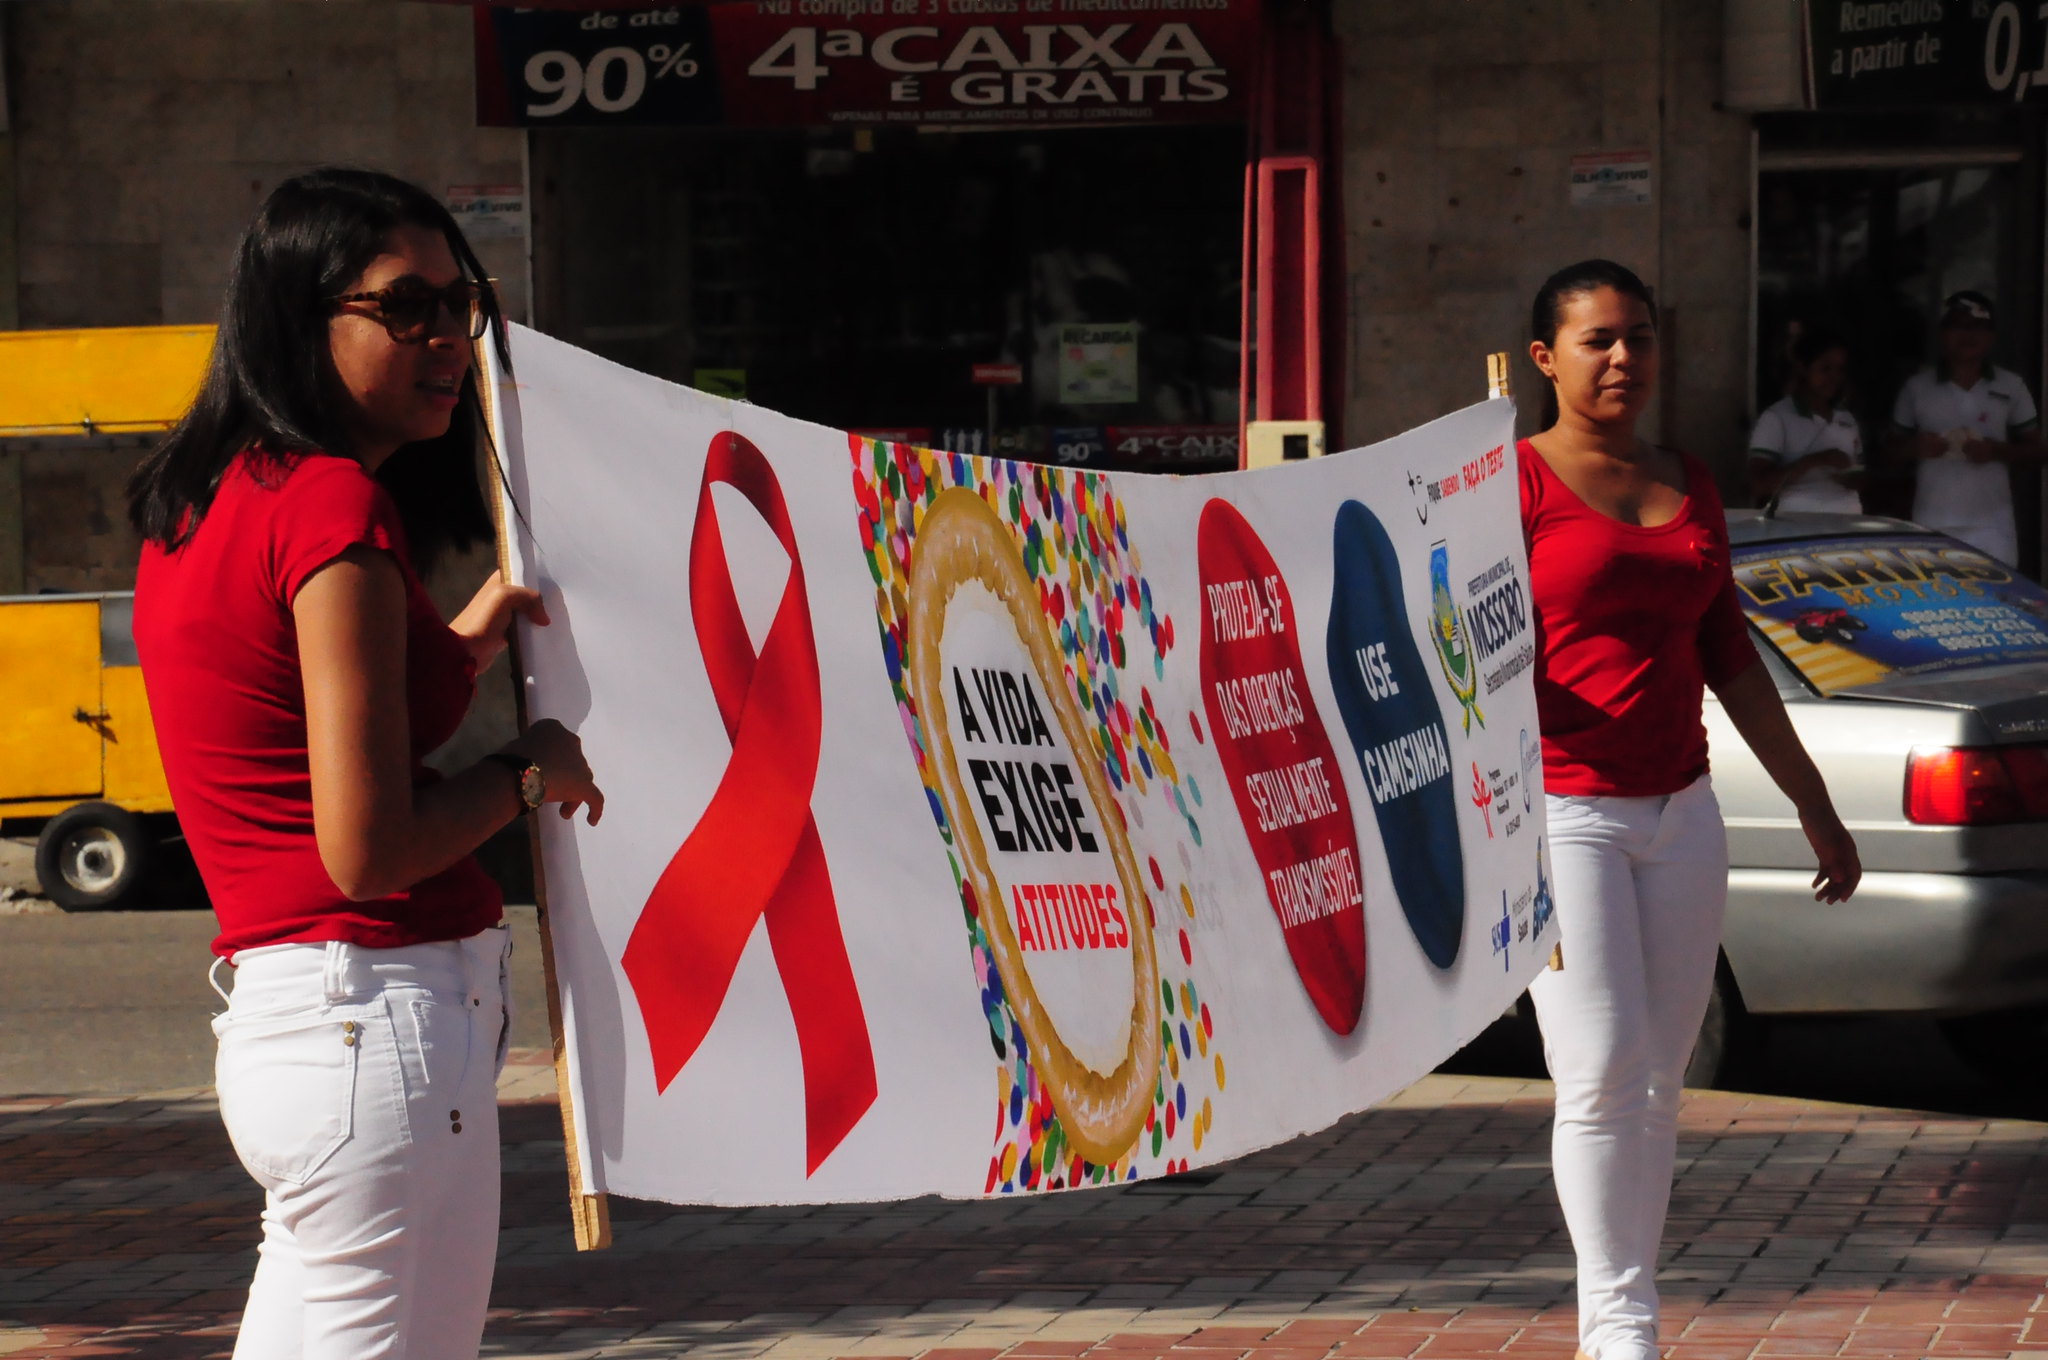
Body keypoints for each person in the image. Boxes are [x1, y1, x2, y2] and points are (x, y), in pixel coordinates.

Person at [126, 168, 604, 1360]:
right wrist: (530, 772)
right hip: (371, 1021)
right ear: (303, 315)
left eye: (459, 304)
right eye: (403, 307)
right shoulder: (332, 508)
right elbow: (369, 846)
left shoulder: (212, 498)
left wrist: (474, 628)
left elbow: (305, 728)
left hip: (307, 1029)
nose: (445, 336)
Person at [1519, 260, 1860, 1360]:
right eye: (1597, 340)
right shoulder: (1501, 483)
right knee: (1601, 1071)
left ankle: (1626, 1317)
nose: (1624, 357)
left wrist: (1814, 803)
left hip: (1680, 814)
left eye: (1640, 337)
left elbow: (1729, 654)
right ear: (1544, 359)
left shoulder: (1690, 479)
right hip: (1558, 814)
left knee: (1656, 1083)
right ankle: (1615, 1328)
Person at [1888, 290, 2041, 564]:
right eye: (1959, 325)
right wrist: (1914, 448)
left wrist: (1996, 450)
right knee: (1937, 603)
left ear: (1991, 336)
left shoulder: (2011, 386)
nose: (1968, 335)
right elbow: (1886, 453)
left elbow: (2039, 452)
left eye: (1978, 327)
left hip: (1993, 525)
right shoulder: (1917, 387)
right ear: (1943, 333)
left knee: (1999, 602)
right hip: (1932, 523)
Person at [1747, 327, 1863, 514]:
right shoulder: (1777, 418)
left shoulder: (1847, 419)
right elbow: (1758, 485)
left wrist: (1852, 476)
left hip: (1847, 525)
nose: (1834, 378)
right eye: (1825, 369)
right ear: (1803, 368)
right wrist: (1817, 460)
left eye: (1840, 369)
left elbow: (1859, 476)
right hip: (1799, 529)